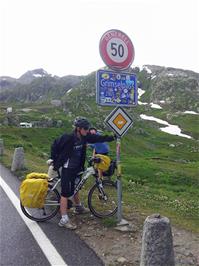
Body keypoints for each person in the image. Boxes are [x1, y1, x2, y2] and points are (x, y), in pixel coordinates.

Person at [50, 117, 115, 230]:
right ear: (78, 129)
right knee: (65, 194)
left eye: (88, 128)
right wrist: (54, 160)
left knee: (76, 187)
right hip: (67, 168)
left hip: (77, 167)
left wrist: (112, 137)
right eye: (85, 128)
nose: (87, 130)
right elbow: (54, 145)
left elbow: (98, 138)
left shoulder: (85, 137)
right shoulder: (68, 138)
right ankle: (64, 219)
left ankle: (78, 207)